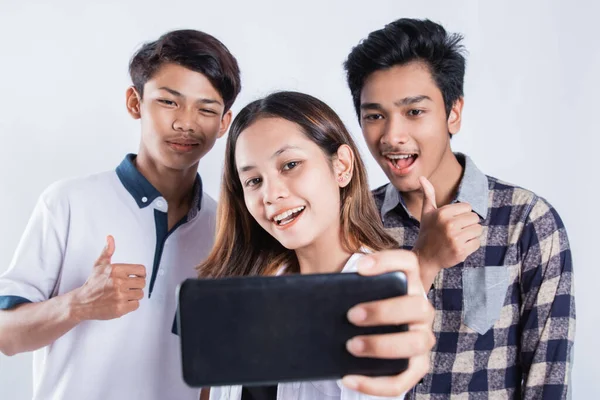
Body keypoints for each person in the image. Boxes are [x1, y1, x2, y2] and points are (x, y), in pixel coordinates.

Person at [0, 29, 241, 400]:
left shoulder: (225, 229)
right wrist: (78, 305)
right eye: (169, 102)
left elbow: (210, 369)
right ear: (135, 102)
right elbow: (6, 336)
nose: (186, 123)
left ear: (223, 123)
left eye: (206, 109)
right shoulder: (67, 203)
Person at [344, 18, 575, 399]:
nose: (392, 136)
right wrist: (425, 259)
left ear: (453, 113)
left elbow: (547, 379)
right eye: (374, 116)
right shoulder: (353, 221)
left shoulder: (527, 222)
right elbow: (341, 363)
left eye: (414, 112)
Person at [197, 91, 435, 400]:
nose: (271, 194)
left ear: (342, 166)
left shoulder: (373, 299)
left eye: (290, 164)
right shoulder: (249, 286)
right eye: (254, 181)